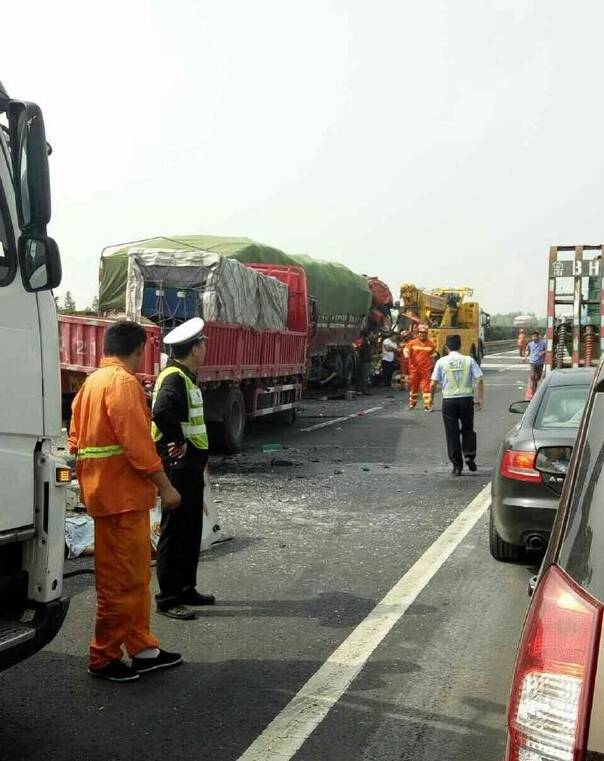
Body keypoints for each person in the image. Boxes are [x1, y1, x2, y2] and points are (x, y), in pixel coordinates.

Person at [69, 321, 183, 682]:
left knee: (132, 578)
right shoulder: (122, 384)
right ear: (139, 350)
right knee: (121, 581)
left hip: (108, 495)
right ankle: (103, 656)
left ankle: (143, 648)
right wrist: (166, 486)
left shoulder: (91, 383)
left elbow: (74, 441)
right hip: (122, 497)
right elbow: (138, 444)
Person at [151, 318, 215, 620]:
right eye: (202, 344)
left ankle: (186, 586)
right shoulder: (175, 377)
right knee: (175, 530)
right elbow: (162, 411)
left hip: (190, 466)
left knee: (191, 528)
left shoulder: (186, 376)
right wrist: (178, 440)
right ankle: (168, 596)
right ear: (194, 348)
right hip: (178, 465)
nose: (205, 349)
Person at [430, 334, 484, 476]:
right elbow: (479, 379)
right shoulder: (469, 360)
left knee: (452, 433)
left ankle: (457, 466)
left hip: (449, 401)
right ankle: (469, 455)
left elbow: (433, 383)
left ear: (446, 347)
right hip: (466, 400)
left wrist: (431, 397)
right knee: (468, 429)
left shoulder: (441, 362)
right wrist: (480, 398)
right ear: (460, 346)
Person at [403, 324, 437, 411]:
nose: (422, 334)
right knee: (414, 387)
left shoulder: (431, 344)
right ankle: (412, 404)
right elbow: (406, 350)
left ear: (427, 333)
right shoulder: (412, 343)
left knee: (426, 388)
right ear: (418, 333)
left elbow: (433, 356)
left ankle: (427, 406)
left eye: (424, 333)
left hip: (426, 370)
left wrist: (434, 368)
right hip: (414, 369)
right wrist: (406, 355)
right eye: (420, 332)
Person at [525, 330, 546, 394]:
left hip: (540, 362)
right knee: (532, 376)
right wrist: (525, 356)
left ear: (538, 337)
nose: (534, 338)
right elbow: (528, 351)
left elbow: (547, 350)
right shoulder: (530, 344)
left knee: (538, 377)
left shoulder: (543, 343)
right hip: (532, 362)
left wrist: (543, 352)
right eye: (533, 337)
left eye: (535, 336)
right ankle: (532, 389)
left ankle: (535, 385)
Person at [353, 329, 373, 395]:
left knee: (363, 375)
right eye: (371, 333)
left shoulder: (366, 340)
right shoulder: (363, 341)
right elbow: (358, 349)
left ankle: (360, 390)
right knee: (364, 376)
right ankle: (364, 390)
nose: (372, 335)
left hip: (365, 359)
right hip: (364, 360)